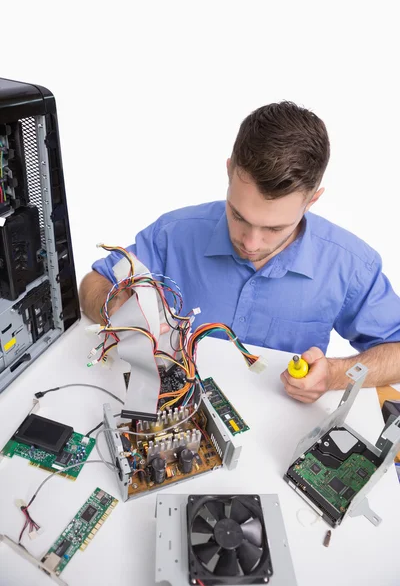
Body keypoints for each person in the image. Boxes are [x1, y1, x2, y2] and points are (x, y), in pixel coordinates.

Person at [79, 102, 400, 403]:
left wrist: (334, 375)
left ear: (312, 200)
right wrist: (123, 314)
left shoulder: (350, 264)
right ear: (230, 171)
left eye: (275, 228)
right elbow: (95, 283)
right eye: (238, 216)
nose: (251, 242)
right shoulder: (174, 233)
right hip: (178, 409)